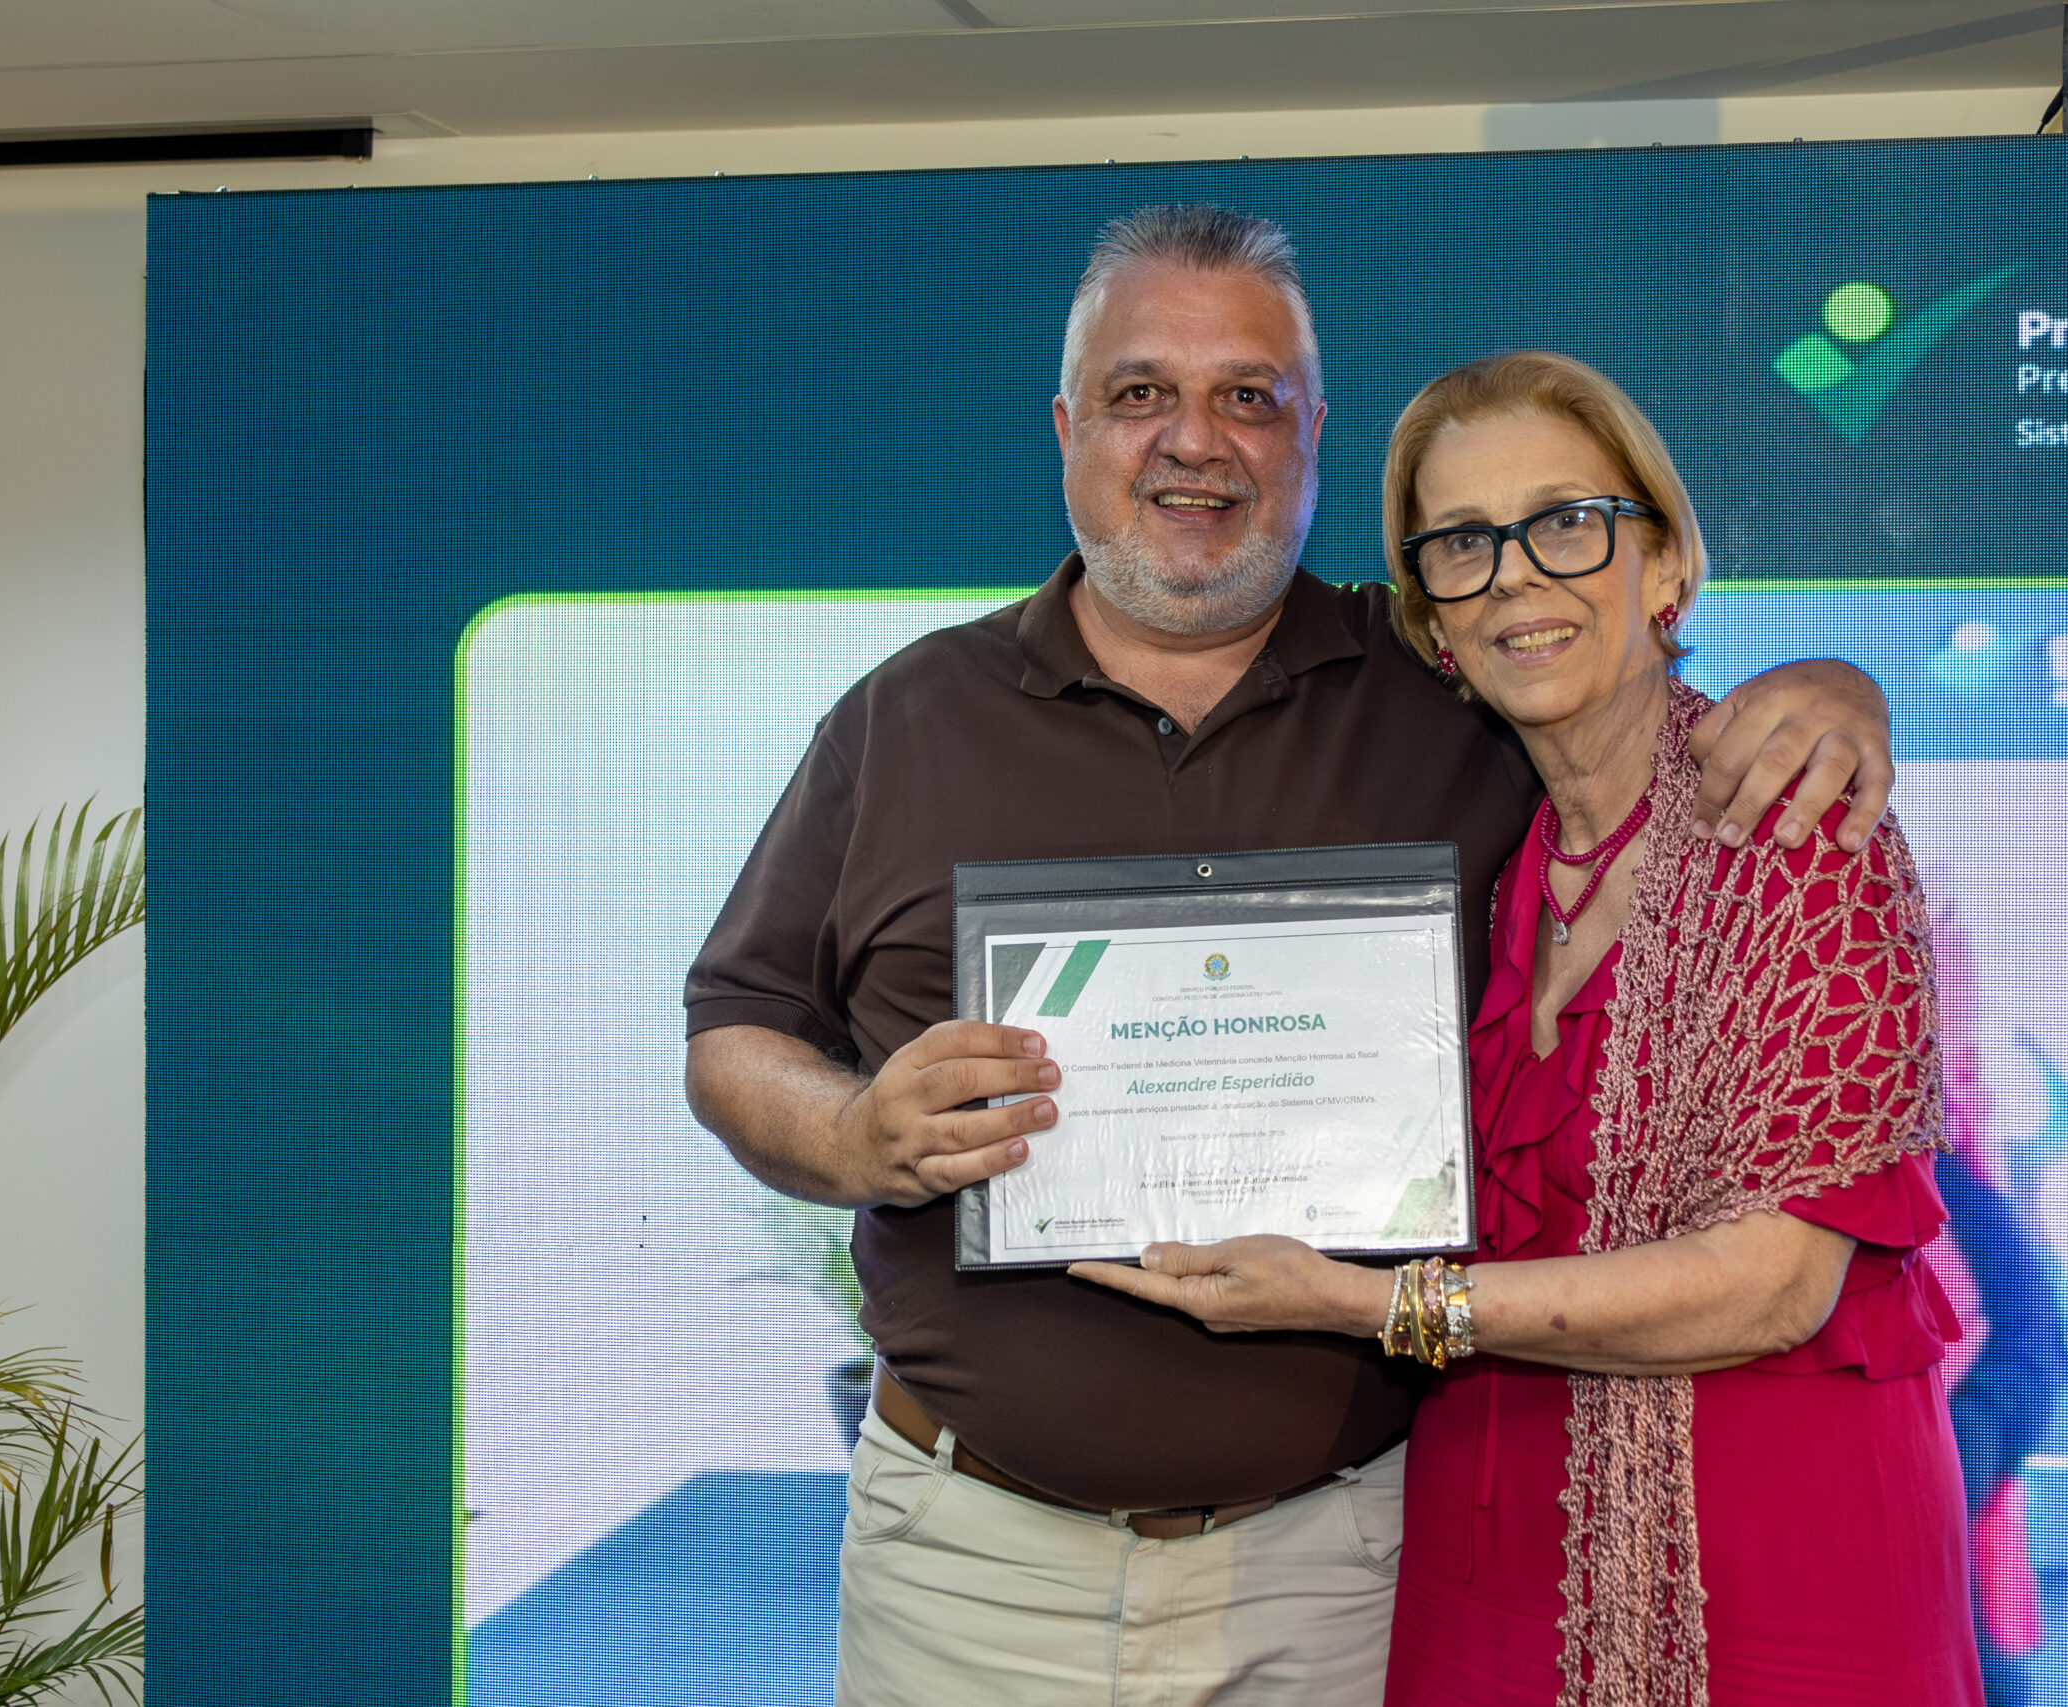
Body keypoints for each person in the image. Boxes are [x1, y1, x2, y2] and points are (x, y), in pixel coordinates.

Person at [685, 208, 1902, 1706]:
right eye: (1142, 393)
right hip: (967, 1563)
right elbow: (735, 1027)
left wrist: (1833, 689)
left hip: (1343, 1573)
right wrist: (855, 1132)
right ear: (1068, 425)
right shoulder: (904, 719)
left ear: (1311, 433)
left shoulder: (1444, 687)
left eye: (1248, 395)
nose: (1195, 440)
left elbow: (1630, 710)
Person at [1074, 349, 1981, 1705]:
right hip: (1483, 1543)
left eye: (1566, 524)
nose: (1515, 578)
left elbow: (1773, 1284)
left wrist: (1366, 1304)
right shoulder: (1483, 862)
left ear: (1665, 565)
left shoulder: (1800, 829)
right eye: (1462, 545)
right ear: (1433, 616)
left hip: (1771, 1562)